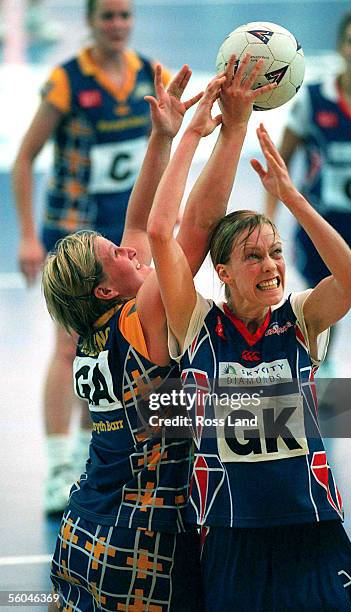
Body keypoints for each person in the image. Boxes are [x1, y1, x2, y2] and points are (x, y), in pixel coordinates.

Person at [42, 55, 275, 611]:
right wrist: (225, 131)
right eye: (113, 257)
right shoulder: (138, 321)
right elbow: (189, 227)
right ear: (105, 290)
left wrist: (161, 139)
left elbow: (137, 224)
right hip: (140, 545)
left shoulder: (94, 335)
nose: (126, 248)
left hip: (82, 530)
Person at [147, 72, 351, 609]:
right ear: (221, 270)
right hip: (230, 532)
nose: (270, 267)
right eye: (252, 257)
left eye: (273, 254)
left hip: (311, 525)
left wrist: (291, 198)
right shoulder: (197, 326)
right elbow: (159, 233)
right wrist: (189, 138)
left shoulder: (300, 319)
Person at [13, 0, 171, 515]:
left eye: (125, 15)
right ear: (89, 21)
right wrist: (28, 236)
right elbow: (24, 159)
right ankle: (59, 467)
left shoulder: (150, 74)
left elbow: (156, 152)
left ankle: (91, 456)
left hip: (127, 237)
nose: (118, 25)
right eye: (108, 16)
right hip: (78, 240)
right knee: (70, 348)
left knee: (113, 350)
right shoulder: (67, 80)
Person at [265, 12, 351, 373]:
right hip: (325, 226)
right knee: (329, 317)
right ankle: (322, 380)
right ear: (340, 48)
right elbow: (280, 161)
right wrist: (268, 219)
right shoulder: (315, 102)